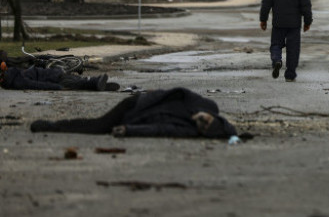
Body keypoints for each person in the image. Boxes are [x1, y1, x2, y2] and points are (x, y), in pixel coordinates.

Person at [29, 87, 237, 138]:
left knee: (99, 127)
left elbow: (159, 129)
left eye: (203, 127)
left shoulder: (190, 130)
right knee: (99, 126)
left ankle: (54, 126)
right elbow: (179, 91)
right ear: (213, 117)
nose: (201, 122)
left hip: (135, 116)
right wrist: (149, 97)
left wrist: (129, 130)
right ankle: (53, 126)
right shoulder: (207, 105)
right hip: (137, 104)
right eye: (207, 121)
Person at [260, 0, 313, 82]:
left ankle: (277, 60)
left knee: (276, 45)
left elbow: (266, 5)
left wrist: (263, 20)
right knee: (293, 49)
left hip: (278, 23)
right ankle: (290, 75)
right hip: (294, 25)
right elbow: (306, 7)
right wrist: (307, 22)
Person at [0, 60, 117, 91]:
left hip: (53, 77)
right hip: (54, 76)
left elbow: (35, 84)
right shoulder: (16, 77)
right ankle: (97, 83)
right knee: (77, 82)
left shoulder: (14, 78)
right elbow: (36, 84)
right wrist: (56, 87)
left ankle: (96, 83)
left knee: (77, 82)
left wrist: (56, 87)